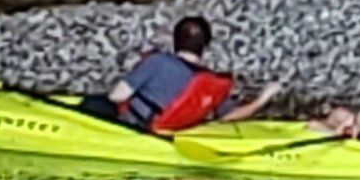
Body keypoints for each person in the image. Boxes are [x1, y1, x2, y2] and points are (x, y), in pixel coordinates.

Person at [85, 14, 279, 133]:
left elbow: (117, 96)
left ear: (175, 40)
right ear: (205, 46)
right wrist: (262, 99)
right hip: (176, 132)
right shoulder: (210, 82)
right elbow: (229, 116)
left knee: (94, 103)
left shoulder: (157, 61)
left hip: (137, 129)